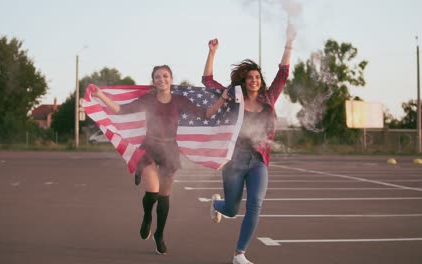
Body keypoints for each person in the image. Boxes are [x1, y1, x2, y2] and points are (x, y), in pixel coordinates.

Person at [92, 65, 229, 255]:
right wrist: (100, 95)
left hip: (169, 150)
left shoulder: (179, 100)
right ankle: (147, 216)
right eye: (157, 77)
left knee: (165, 196)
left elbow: (205, 114)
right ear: (153, 81)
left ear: (171, 79)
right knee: (153, 192)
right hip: (149, 147)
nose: (161, 79)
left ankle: (159, 234)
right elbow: (120, 110)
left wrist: (222, 99)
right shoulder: (148, 100)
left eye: (165, 76)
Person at [202, 23, 296, 264]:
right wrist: (212, 53)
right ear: (243, 82)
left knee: (255, 204)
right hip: (234, 161)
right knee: (232, 210)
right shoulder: (235, 97)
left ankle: (239, 254)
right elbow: (208, 81)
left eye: (257, 77)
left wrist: (289, 42)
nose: (254, 80)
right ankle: (218, 204)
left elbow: (283, 72)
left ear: (261, 81)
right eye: (250, 77)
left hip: (258, 161)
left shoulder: (268, 98)